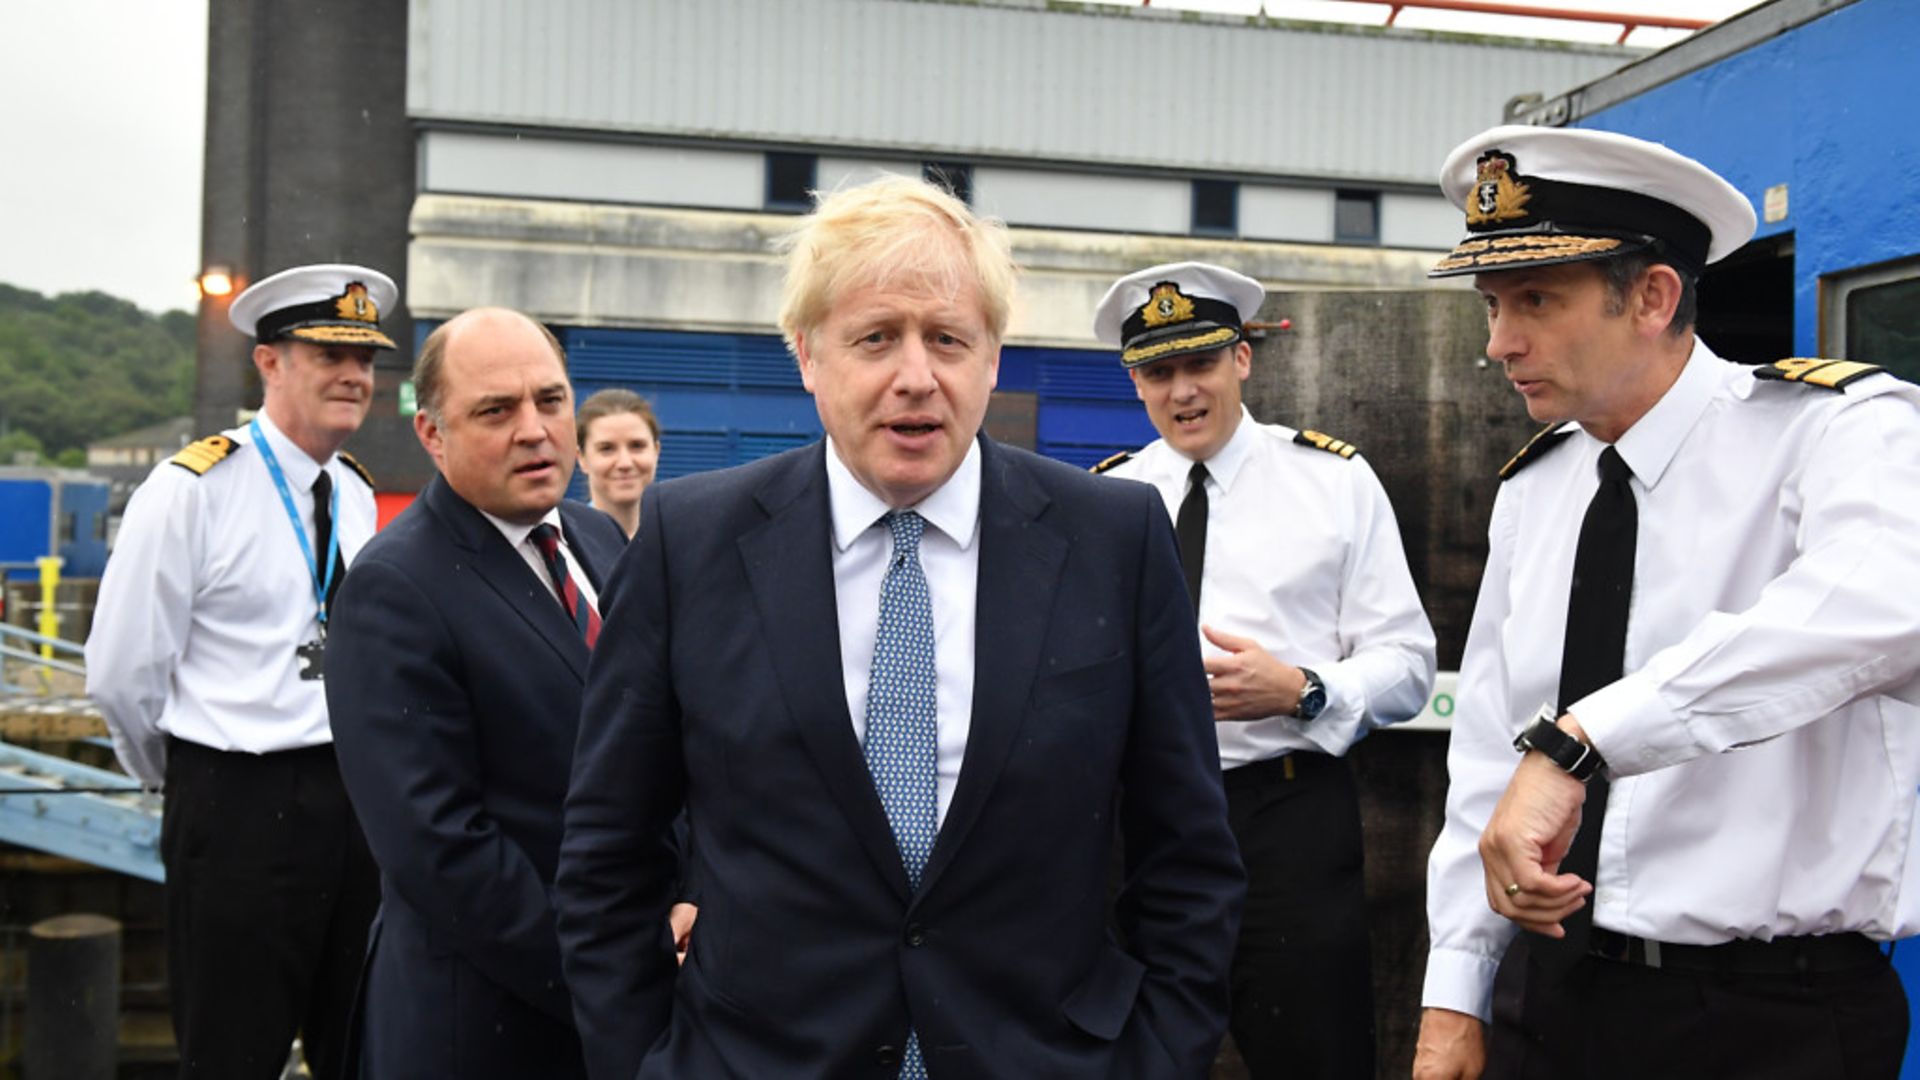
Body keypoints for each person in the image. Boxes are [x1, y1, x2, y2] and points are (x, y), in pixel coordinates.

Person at [555, 174, 1246, 1080]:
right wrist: (643, 1061)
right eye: (875, 337)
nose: (916, 377)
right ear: (807, 355)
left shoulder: (1113, 541)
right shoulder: (691, 542)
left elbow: (1187, 855)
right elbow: (609, 848)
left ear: (992, 357)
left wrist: (1154, 1060)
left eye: (948, 339)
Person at [1415, 125, 1920, 1080]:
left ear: (1653, 296)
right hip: (1550, 996)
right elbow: (1488, 752)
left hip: (1771, 1017)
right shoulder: (1537, 489)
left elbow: (1890, 598)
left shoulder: (1838, 433)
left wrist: (1587, 741)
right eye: (1490, 305)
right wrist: (1454, 991)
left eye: (1534, 300)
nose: (1498, 342)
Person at [1091, 261, 1437, 1079]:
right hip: (1135, 827)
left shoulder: (1332, 482)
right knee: (1129, 1056)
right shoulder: (1106, 501)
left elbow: (1410, 663)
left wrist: (1307, 690)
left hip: (1284, 818)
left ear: (1242, 359)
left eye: (1200, 364)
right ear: (1135, 381)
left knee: (1315, 1054)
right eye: (1157, 372)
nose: (1182, 392)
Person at [85, 263, 393, 1078]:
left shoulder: (356, 495)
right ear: (269, 363)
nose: (354, 376)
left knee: (360, 1042)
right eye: (330, 354)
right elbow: (122, 671)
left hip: (354, 805)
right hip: (236, 805)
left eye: (365, 360)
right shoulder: (190, 491)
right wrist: (189, 778)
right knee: (232, 1054)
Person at [322, 308, 629, 1078]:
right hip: (487, 1024)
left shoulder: (599, 540)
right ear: (432, 435)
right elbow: (440, 849)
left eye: (551, 401)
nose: (534, 430)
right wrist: (604, 979)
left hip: (615, 1001)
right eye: (496, 410)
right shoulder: (393, 588)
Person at [576, 387, 661, 538]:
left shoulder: (680, 540)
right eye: (607, 449)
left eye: (637, 446)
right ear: (581, 458)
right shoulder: (567, 544)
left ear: (656, 451)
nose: (625, 463)